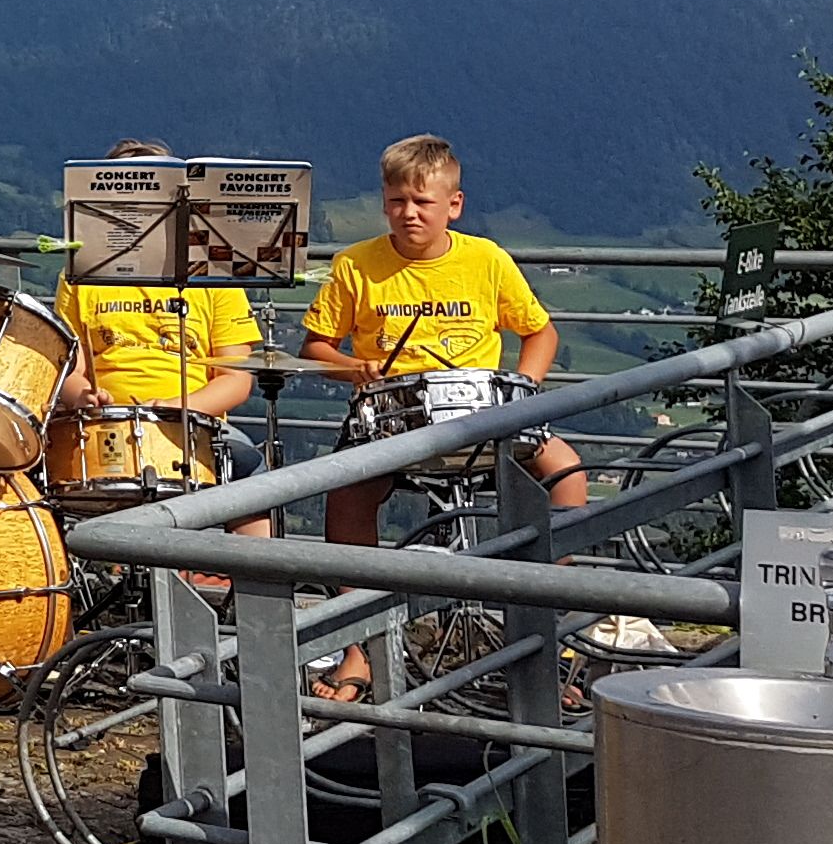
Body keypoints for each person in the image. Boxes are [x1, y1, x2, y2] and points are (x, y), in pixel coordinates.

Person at [304, 135, 572, 694]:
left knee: (566, 473)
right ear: (383, 202)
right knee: (346, 496)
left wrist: (525, 390)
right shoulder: (356, 265)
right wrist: (353, 368)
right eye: (397, 201)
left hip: (482, 415)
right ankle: (361, 646)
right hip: (391, 415)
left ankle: (548, 627)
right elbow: (315, 348)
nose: (409, 213)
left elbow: (540, 332)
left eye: (423, 202)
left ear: (454, 204)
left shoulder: (486, 259)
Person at [55, 136, 272, 536]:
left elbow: (236, 380)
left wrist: (176, 409)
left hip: (194, 426)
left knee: (256, 483)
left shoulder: (212, 276)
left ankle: (252, 575)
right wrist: (81, 395)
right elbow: (68, 369)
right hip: (105, 426)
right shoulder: (80, 276)